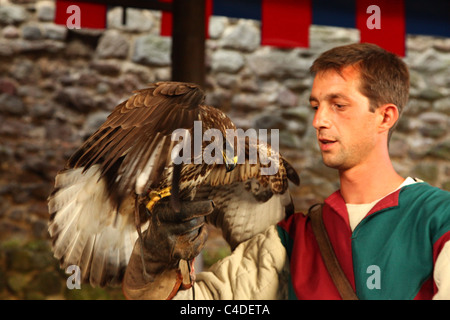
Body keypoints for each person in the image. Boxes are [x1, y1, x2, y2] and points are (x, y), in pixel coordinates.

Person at [122, 43, 450, 300]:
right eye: (315, 106)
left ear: (385, 117)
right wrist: (155, 256)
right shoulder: (293, 239)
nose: (318, 121)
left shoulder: (439, 220)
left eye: (338, 105)